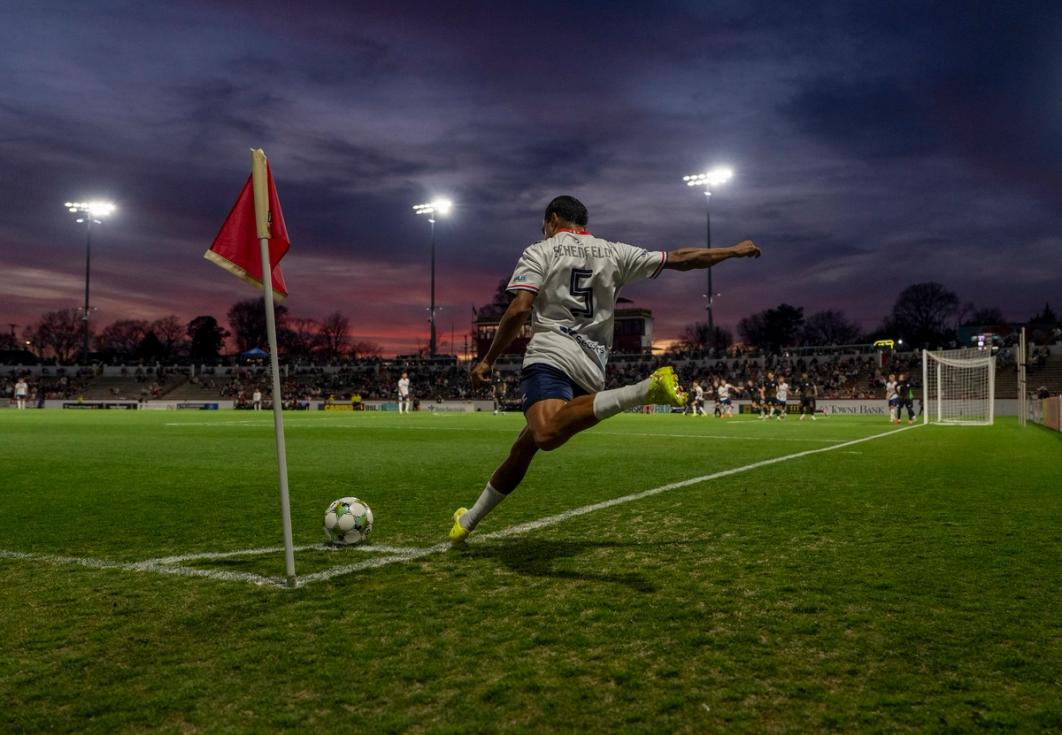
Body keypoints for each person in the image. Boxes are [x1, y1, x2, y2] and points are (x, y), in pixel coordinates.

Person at [450, 195, 760, 543]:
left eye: (544, 224)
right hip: (592, 368)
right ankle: (469, 520)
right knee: (525, 446)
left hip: (551, 355)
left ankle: (642, 390)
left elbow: (520, 308)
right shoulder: (614, 252)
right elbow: (681, 259)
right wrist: (732, 250)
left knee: (546, 434)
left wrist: (488, 359)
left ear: (553, 219)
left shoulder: (540, 250)